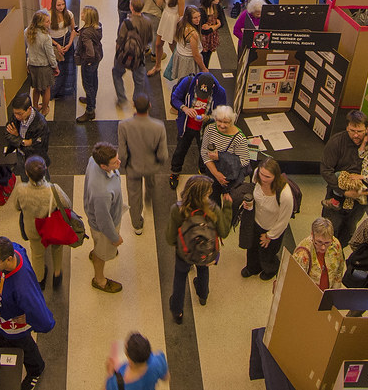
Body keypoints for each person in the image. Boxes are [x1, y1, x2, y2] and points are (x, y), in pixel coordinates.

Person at [0, 236, 55, 390]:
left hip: (15, 326)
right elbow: (20, 247)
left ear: (9, 259)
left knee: (25, 346)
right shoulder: (15, 250)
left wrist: (28, 318)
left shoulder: (22, 287)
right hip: (2, 317)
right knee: (3, 341)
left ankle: (36, 371)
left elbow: (43, 318)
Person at [164, 175, 231, 322]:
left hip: (184, 252)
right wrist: (227, 207)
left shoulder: (178, 209)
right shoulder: (213, 209)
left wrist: (179, 245)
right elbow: (224, 232)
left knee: (180, 277)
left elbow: (170, 237)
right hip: (205, 252)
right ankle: (203, 295)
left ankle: (177, 311)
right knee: (203, 270)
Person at [13, 156, 71, 290]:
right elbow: (67, 204)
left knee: (37, 255)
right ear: (46, 170)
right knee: (57, 249)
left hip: (33, 229)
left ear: (26, 173)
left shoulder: (21, 189)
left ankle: (40, 280)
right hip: (53, 228)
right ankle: (57, 275)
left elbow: (17, 207)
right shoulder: (53, 189)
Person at [320, 110, 368, 244]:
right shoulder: (336, 142)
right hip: (336, 196)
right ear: (347, 128)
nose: (356, 135)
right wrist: (345, 191)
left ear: (366, 129)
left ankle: (339, 250)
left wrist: (366, 191)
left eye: (360, 131)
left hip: (360, 200)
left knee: (349, 230)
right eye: (352, 130)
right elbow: (326, 170)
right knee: (329, 228)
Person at [118, 96, 169, 234]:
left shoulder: (124, 125)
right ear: (150, 106)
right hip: (152, 166)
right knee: (151, 183)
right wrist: (159, 161)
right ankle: (149, 198)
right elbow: (163, 154)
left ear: (134, 106)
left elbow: (122, 152)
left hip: (133, 167)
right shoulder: (158, 126)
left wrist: (124, 164)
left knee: (134, 196)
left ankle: (137, 225)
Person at [169, 72, 226, 189]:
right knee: (180, 150)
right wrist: (184, 108)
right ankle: (175, 172)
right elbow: (174, 98)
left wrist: (209, 117)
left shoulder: (220, 92)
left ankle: (203, 172)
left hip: (205, 129)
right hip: (186, 126)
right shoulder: (188, 82)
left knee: (204, 153)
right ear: (197, 83)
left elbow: (222, 113)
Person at [241, 158, 293, 281]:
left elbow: (283, 221)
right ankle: (252, 268)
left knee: (267, 253)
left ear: (275, 176)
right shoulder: (257, 175)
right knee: (252, 248)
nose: (263, 179)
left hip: (272, 228)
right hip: (256, 222)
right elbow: (254, 191)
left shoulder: (285, 195)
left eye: (268, 177)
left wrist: (269, 236)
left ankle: (270, 269)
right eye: (262, 174)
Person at [85, 143, 124, 293]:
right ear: (103, 166)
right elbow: (103, 221)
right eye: (114, 162)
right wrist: (114, 237)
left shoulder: (92, 160)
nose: (119, 163)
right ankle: (99, 280)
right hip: (104, 227)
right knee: (101, 253)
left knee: (99, 244)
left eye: (117, 158)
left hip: (100, 213)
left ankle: (97, 249)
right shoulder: (102, 192)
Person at [200, 105, 249, 197]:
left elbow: (244, 161)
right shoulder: (210, 129)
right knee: (213, 199)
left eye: (226, 122)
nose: (222, 125)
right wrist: (216, 174)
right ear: (215, 119)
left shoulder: (239, 138)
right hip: (212, 171)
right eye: (219, 121)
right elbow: (204, 151)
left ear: (231, 122)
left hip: (230, 177)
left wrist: (221, 157)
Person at [113, 0, 151, 104]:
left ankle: (121, 98)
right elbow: (149, 40)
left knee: (116, 73)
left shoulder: (126, 23)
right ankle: (137, 100)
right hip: (139, 56)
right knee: (139, 79)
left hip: (124, 55)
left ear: (131, 7)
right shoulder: (147, 22)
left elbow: (120, 40)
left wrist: (117, 56)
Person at [292, 217, 345, 291]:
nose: (323, 247)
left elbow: (339, 270)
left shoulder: (335, 244)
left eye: (327, 243)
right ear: (312, 235)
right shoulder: (302, 254)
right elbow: (297, 281)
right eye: (319, 242)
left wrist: (333, 293)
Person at [106, 332, 170, 389]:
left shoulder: (116, 381)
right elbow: (166, 377)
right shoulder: (158, 361)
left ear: (130, 360)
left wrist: (110, 373)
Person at [25, 10, 59, 116]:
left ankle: (35, 107)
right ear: (41, 23)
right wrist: (55, 66)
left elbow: (28, 49)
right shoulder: (46, 38)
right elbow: (50, 55)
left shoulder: (27, 31)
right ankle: (44, 109)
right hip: (44, 67)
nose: (49, 23)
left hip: (32, 65)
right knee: (46, 89)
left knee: (36, 89)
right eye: (47, 22)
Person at [4, 93, 51, 169]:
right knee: (24, 178)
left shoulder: (41, 124)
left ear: (29, 109)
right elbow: (7, 134)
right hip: (20, 155)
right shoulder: (16, 117)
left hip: (36, 160)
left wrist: (17, 137)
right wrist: (24, 142)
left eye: (19, 114)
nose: (16, 116)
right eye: (14, 113)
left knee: (39, 179)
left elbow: (36, 149)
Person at [150, 0, 184, 76]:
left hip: (174, 21)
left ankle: (178, 66)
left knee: (172, 46)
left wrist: (177, 29)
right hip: (165, 17)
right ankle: (157, 65)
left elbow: (181, 14)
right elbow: (159, 3)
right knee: (158, 44)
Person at [74, 5, 103, 123]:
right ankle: (91, 98)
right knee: (94, 79)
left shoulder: (86, 33)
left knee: (87, 84)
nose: (81, 14)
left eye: (83, 13)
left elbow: (90, 52)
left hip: (90, 61)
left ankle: (90, 110)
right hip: (98, 56)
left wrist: (86, 60)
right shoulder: (97, 26)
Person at [47, 0, 76, 99]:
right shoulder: (48, 16)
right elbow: (45, 35)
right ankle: (53, 92)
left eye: (63, 4)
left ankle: (65, 90)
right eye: (59, 5)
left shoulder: (68, 14)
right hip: (54, 44)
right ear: (54, 5)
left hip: (67, 40)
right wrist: (57, 45)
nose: (61, 7)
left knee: (68, 68)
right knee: (56, 69)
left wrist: (69, 43)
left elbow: (74, 29)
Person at [168, 5, 207, 81]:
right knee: (189, 83)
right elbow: (195, 55)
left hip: (180, 55)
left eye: (199, 16)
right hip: (189, 60)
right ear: (188, 18)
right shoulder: (193, 34)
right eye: (195, 18)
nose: (198, 19)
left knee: (182, 81)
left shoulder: (180, 24)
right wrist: (204, 68)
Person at [198, 0, 226, 67]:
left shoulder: (218, 7)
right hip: (203, 39)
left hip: (212, 38)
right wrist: (217, 25)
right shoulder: (202, 11)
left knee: (208, 56)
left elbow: (222, 23)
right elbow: (204, 31)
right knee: (203, 56)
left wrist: (211, 27)